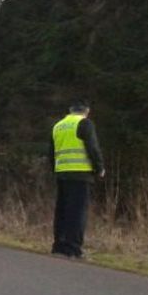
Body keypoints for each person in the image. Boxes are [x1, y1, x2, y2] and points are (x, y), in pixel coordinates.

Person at [49, 101, 105, 258]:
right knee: (78, 212)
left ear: (70, 110)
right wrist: (99, 168)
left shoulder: (58, 126)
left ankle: (59, 246)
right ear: (86, 111)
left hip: (62, 173)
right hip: (80, 174)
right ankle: (74, 248)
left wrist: (55, 170)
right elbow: (92, 147)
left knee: (62, 211)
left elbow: (51, 152)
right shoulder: (84, 123)